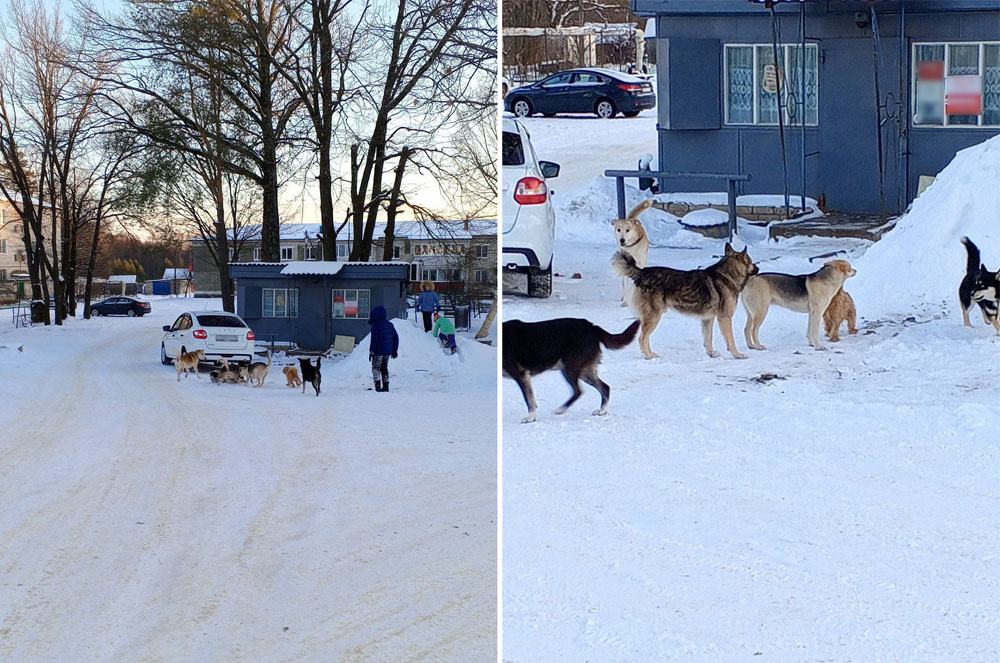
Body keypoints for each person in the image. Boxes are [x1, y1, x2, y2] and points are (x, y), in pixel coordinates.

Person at [368, 305, 399, 392]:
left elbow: (374, 340)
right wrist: (394, 351)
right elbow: (396, 338)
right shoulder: (390, 325)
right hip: (388, 352)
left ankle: (378, 386)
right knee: (384, 367)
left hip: (378, 351)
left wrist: (371, 350)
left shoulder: (375, 326)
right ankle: (386, 386)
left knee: (376, 368)